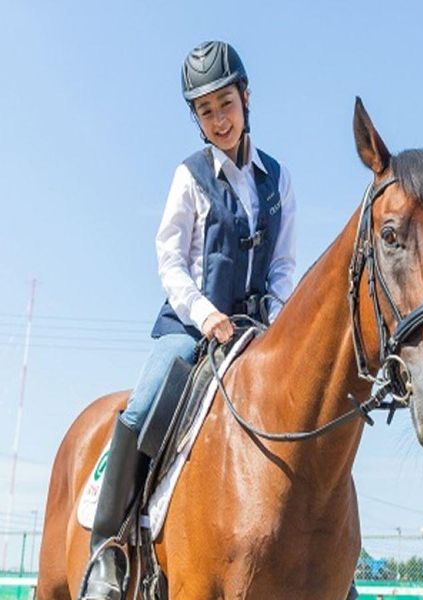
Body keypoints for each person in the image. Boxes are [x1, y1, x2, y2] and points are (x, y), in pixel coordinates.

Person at [81, 41, 297, 599]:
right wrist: (206, 316)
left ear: (246, 99)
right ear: (196, 118)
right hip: (191, 329)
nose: (219, 119)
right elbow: (170, 261)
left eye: (226, 104)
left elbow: (283, 265)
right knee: (143, 405)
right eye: (205, 110)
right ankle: (108, 549)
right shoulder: (189, 175)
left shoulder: (278, 179)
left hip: (256, 333)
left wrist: (273, 320)